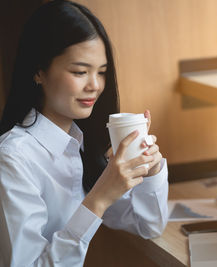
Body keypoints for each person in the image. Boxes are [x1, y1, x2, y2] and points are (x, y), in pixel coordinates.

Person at [0, 1, 169, 266]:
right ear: (38, 71)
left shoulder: (80, 145)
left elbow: (148, 227)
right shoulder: (12, 159)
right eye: (80, 72)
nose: (95, 86)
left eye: (101, 72)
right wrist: (98, 199)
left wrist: (151, 170)